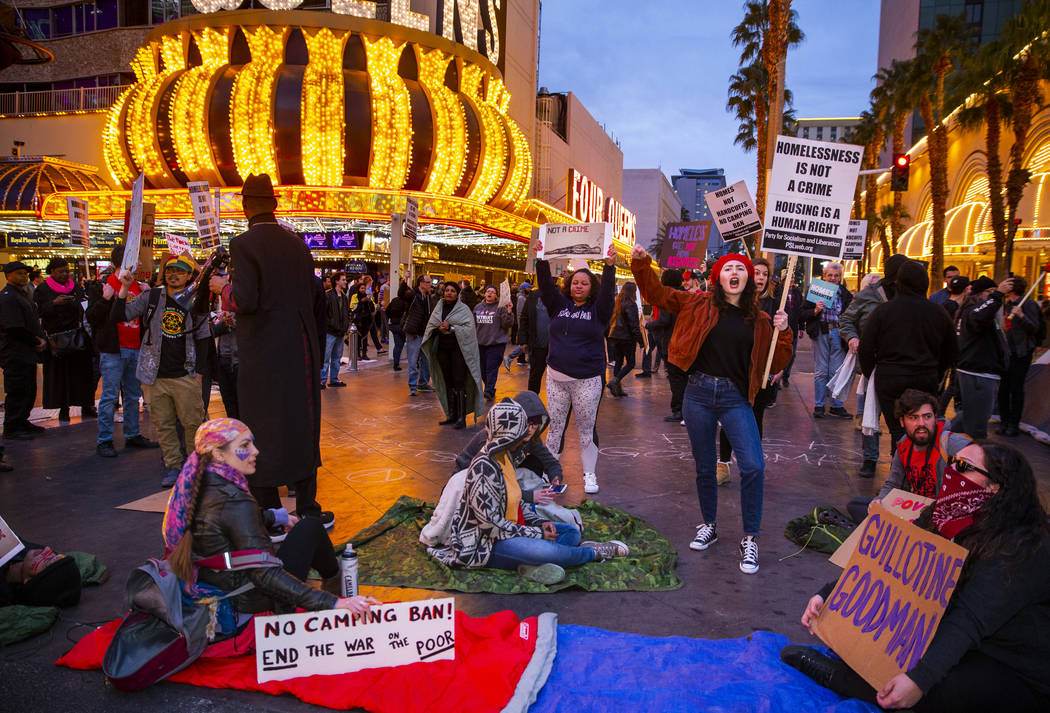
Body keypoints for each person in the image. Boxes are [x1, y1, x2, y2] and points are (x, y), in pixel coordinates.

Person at [782, 442, 1050, 713]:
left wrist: (920, 680)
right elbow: (889, 566)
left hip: (1012, 664)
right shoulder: (944, 514)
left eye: (964, 467)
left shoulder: (1024, 545)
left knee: (943, 687)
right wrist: (829, 595)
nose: (951, 471)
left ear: (995, 487)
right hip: (961, 636)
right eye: (952, 461)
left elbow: (970, 618)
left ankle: (836, 678)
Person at [632, 246, 792, 575]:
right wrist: (640, 263)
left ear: (750, 279)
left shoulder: (762, 320)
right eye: (728, 268)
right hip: (699, 394)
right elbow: (656, 293)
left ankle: (750, 537)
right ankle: (709, 525)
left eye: (741, 269)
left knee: (753, 465)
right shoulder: (697, 303)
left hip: (736, 398)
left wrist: (784, 331)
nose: (735, 273)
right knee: (705, 467)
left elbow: (774, 363)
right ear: (718, 276)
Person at [163, 418, 378, 623]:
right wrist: (333, 604)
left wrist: (273, 516)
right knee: (311, 526)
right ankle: (339, 590)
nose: (255, 451)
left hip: (212, 581)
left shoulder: (195, 482)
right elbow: (264, 575)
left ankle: (335, 581)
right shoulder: (235, 500)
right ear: (219, 454)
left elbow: (221, 522)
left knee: (308, 527)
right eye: (245, 445)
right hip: (245, 598)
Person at [213, 173, 331, 527]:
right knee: (301, 422)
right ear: (274, 204)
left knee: (260, 426)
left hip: (263, 354)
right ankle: (309, 508)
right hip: (301, 350)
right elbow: (313, 299)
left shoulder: (243, 245)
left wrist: (222, 288)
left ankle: (270, 513)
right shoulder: (298, 244)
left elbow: (245, 300)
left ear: (246, 205)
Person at [426, 399, 628, 585]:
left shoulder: (504, 458)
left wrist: (539, 522)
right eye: (522, 430)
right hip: (485, 545)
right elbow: (492, 526)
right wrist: (537, 533)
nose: (528, 434)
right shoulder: (483, 468)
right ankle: (593, 552)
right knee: (549, 548)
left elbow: (517, 501)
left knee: (570, 533)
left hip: (511, 531)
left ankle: (532, 564)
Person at [114, 255, 209, 487]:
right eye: (169, 270)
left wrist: (200, 373)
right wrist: (124, 287)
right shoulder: (152, 296)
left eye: (179, 271)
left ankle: (193, 467)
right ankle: (173, 467)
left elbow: (204, 338)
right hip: (153, 375)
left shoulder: (195, 300)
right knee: (164, 426)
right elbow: (119, 315)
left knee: (193, 424)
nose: (173, 274)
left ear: (189, 276)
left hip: (184, 373)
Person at [535, 255, 616, 495]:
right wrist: (541, 259)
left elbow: (608, 294)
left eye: (584, 283)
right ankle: (549, 473)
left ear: (592, 289)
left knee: (586, 429)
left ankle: (589, 474)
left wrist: (609, 267)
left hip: (587, 380)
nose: (578, 286)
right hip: (556, 379)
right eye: (575, 282)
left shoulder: (599, 311)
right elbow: (547, 286)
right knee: (555, 428)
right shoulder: (558, 305)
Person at [859, 259, 956, 450]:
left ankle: (901, 470)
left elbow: (866, 348)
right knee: (918, 431)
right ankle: (911, 471)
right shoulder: (938, 312)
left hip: (890, 378)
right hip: (924, 377)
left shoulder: (883, 311)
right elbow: (951, 350)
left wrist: (875, 374)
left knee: (898, 431)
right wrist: (936, 373)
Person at [452, 390, 578, 528]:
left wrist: (555, 478)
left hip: (501, 481)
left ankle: (525, 503)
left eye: (535, 424)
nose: (530, 429)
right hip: (467, 483)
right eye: (527, 424)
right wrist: (529, 496)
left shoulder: (531, 439)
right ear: (517, 421)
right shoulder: (492, 440)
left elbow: (551, 463)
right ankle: (526, 504)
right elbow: (490, 483)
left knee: (536, 462)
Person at [843, 389, 971, 522]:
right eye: (913, 417)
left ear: (935, 417)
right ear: (902, 422)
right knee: (857, 505)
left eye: (927, 416)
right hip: (914, 511)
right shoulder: (904, 445)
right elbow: (893, 483)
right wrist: (878, 501)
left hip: (943, 518)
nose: (921, 423)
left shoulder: (953, 444)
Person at [85, 245, 158, 458]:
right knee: (109, 396)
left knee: (133, 395)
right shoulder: (102, 286)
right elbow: (92, 318)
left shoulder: (140, 287)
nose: (140, 264)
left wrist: (149, 296)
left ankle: (132, 433)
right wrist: (105, 299)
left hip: (135, 347)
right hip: (112, 350)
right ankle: (105, 440)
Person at [839, 254, 908, 477]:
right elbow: (847, 320)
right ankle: (870, 458)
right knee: (869, 413)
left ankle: (901, 460)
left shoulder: (909, 296)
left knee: (903, 416)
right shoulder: (868, 294)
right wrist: (852, 338)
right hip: (873, 364)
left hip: (901, 363)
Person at [716, 257, 782, 486]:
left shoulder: (777, 303)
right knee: (729, 419)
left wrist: (780, 366)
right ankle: (723, 463)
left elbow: (782, 339)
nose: (761, 277)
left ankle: (752, 465)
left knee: (756, 420)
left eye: (765, 273)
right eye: (757, 273)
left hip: (763, 374)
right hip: (737, 373)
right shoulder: (737, 299)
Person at [949, 276, 1012, 440]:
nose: (991, 296)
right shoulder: (974, 310)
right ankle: (969, 461)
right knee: (976, 427)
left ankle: (943, 445)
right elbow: (980, 316)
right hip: (978, 374)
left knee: (968, 419)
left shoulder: (970, 309)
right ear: (979, 294)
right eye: (988, 292)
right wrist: (997, 295)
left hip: (978, 373)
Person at [34, 258, 96, 423]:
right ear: (52, 271)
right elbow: (38, 311)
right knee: (60, 376)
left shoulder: (74, 287)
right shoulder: (43, 289)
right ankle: (63, 408)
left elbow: (84, 306)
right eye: (60, 271)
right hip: (57, 339)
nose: (64, 274)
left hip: (77, 337)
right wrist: (54, 303)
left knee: (81, 374)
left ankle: (86, 405)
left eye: (66, 271)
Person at [422, 281, 484, 429]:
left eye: (452, 291)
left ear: (457, 294)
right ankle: (451, 415)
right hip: (442, 350)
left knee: (459, 382)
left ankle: (462, 417)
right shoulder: (439, 307)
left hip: (459, 351)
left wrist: (451, 327)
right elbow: (431, 327)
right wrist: (439, 328)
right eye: (447, 290)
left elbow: (469, 330)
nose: (449, 293)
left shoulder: (464, 310)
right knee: (447, 381)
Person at [0, 261, 45, 462]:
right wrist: (35, 341)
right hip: (15, 351)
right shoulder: (8, 298)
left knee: (28, 387)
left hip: (25, 352)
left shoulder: (21, 295)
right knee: (18, 388)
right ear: (8, 275)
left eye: (25, 274)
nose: (23, 277)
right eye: (19, 274)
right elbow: (14, 328)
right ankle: (12, 426)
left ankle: (22, 421)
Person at [801, 261, 852, 419]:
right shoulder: (815, 291)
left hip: (838, 332)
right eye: (830, 275)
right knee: (821, 370)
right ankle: (820, 405)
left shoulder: (845, 293)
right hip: (821, 332)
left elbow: (851, 314)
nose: (832, 278)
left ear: (840, 278)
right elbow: (802, 313)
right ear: (824, 276)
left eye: (836, 276)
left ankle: (836, 406)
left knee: (837, 371)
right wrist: (815, 310)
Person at [997, 276, 1041, 437]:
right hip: (1008, 352)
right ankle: (1004, 420)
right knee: (1003, 389)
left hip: (1021, 352)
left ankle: (1013, 424)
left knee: (1016, 388)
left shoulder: (1028, 304)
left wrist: (1022, 315)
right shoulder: (1007, 304)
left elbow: (1034, 328)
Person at [473, 285, 514, 400]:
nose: (489, 293)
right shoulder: (478, 307)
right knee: (482, 370)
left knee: (491, 368)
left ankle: (489, 390)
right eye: (488, 291)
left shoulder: (501, 308)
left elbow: (507, 324)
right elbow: (473, 325)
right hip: (480, 344)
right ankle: (490, 388)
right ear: (485, 293)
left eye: (492, 292)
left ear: (496, 295)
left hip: (496, 344)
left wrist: (509, 310)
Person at [605, 282, 644, 398]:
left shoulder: (618, 302)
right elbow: (634, 325)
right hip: (626, 338)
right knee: (631, 363)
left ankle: (617, 389)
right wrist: (641, 341)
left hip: (614, 337)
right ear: (633, 291)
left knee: (619, 361)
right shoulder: (631, 304)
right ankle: (615, 381)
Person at [403, 273, 438, 396]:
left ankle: (423, 383)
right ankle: (413, 386)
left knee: (427, 360)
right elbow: (402, 293)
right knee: (413, 360)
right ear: (421, 284)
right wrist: (405, 278)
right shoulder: (413, 295)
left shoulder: (428, 297)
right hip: (414, 332)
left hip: (425, 333)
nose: (430, 285)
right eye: (428, 282)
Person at [516, 280, 551, 394]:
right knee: (535, 376)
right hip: (537, 345)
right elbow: (524, 318)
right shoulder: (533, 296)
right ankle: (532, 401)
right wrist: (523, 341)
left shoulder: (559, 295)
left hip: (556, 347)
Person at [321, 271, 350, 387]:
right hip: (331, 331)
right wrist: (331, 325)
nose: (345, 281)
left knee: (337, 357)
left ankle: (333, 379)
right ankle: (322, 380)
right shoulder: (328, 296)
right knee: (326, 357)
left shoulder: (344, 297)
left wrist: (345, 326)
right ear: (337, 281)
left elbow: (346, 313)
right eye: (343, 279)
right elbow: (324, 314)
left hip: (340, 332)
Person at [384, 282, 411, 371]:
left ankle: (396, 364)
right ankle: (414, 363)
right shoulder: (407, 302)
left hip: (393, 325)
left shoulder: (395, 300)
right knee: (409, 345)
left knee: (398, 345)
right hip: (402, 326)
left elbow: (387, 311)